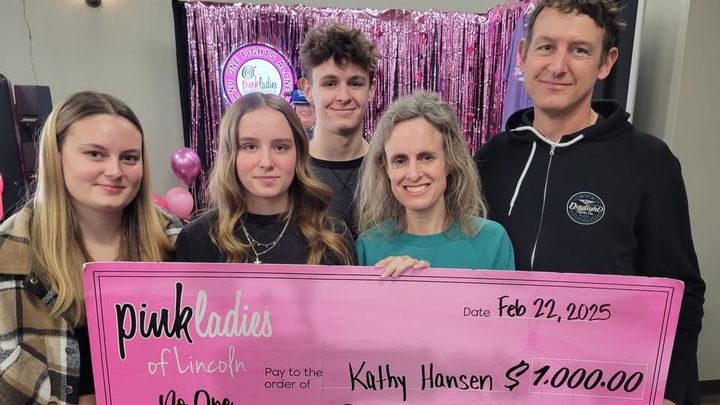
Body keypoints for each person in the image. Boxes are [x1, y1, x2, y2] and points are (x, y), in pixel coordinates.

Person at [473, 1, 705, 404]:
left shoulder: (649, 162)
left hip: (608, 386)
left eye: (579, 50)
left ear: (606, 62)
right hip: (507, 385)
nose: (558, 66)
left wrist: (667, 390)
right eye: (546, 47)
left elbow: (681, 290)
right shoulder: (492, 158)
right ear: (523, 55)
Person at [0, 91, 181, 405]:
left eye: (129, 157)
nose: (115, 171)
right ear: (57, 156)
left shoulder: (176, 239)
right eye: (95, 154)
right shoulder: (8, 251)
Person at [174, 92, 354, 265]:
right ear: (230, 155)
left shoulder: (333, 236)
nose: (266, 162)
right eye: (250, 147)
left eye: (280, 147)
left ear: (298, 154)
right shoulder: (196, 239)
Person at [356, 91, 514, 276]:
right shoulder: (368, 246)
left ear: (450, 162)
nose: (413, 174)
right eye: (400, 161)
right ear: (386, 169)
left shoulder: (492, 241)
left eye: (426, 157)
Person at [299, 22, 378, 236]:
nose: (343, 97)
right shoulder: (289, 167)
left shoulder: (389, 166)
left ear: (371, 89)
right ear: (308, 89)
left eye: (355, 83)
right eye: (330, 84)